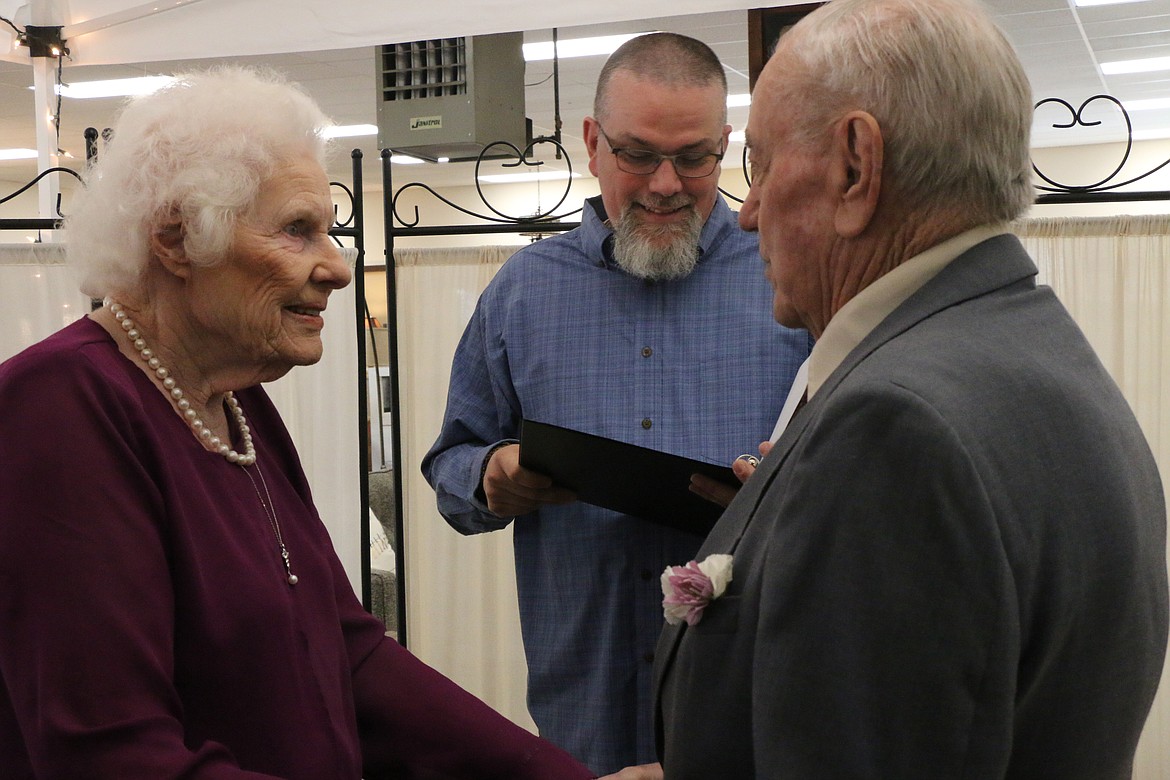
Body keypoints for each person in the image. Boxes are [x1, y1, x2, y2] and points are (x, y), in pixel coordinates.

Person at [0, 66, 598, 779]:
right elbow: (109, 752)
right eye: (298, 231)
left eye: (330, 231)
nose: (338, 268)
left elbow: (349, 654)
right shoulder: (59, 408)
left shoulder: (237, 401)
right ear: (176, 239)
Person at [652, 0, 1169, 777]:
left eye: (758, 164)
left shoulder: (895, 429)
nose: (748, 213)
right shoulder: (1037, 349)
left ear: (856, 166)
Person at [421, 33, 812, 775]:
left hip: (746, 717)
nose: (666, 182)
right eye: (637, 154)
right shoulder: (522, 293)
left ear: (726, 148)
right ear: (593, 143)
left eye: (694, 157)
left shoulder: (787, 278)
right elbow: (451, 464)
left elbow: (855, 475)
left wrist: (787, 483)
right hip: (582, 709)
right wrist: (492, 474)